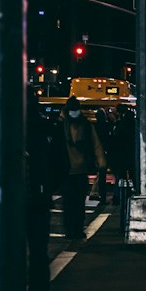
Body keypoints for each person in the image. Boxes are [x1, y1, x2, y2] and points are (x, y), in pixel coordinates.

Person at [26, 88, 57, 291]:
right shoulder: (45, 128)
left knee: (12, 254)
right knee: (38, 255)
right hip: (39, 198)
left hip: (18, 201)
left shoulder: (6, 128)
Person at [59, 95, 106, 239]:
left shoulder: (73, 126)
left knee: (75, 203)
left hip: (76, 170)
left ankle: (74, 229)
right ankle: (73, 229)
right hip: (70, 170)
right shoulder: (80, 125)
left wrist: (101, 162)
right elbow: (96, 145)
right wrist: (101, 163)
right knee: (73, 203)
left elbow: (95, 145)